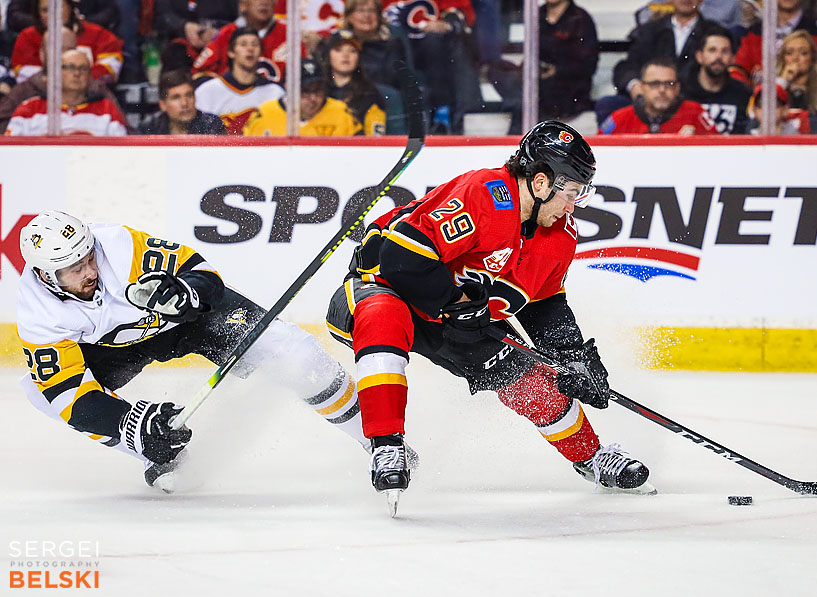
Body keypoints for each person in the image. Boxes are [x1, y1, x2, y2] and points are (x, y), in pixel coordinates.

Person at [325, 121, 653, 509]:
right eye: (571, 193)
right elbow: (401, 259)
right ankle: (386, 446)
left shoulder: (560, 234)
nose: (572, 206)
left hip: (463, 322)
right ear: (541, 182)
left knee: (531, 381)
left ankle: (592, 458)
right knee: (383, 315)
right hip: (384, 291)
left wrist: (571, 356)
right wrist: (455, 301)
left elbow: (545, 303)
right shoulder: (486, 194)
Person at [16, 210, 376, 492]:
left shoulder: (119, 244)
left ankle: (377, 437)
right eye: (74, 269)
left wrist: (186, 295)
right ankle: (157, 452)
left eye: (89, 258)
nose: (89, 271)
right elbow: (67, 394)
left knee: (295, 353)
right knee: (40, 393)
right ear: (47, 276)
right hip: (113, 349)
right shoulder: (38, 314)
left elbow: (203, 273)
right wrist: (129, 424)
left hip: (186, 321)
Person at [382, 0, 482, 134]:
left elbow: (459, 13)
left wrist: (446, 25)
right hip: (389, 50)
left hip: (432, 51)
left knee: (442, 44)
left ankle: (444, 114)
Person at [0, 27, 124, 131]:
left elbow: (125, 136)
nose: (62, 54)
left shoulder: (99, 94)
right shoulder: (24, 94)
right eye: (56, 48)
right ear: (42, 54)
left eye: (69, 49)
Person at [731, 0, 817, 86]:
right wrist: (747, 92)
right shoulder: (755, 32)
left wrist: (804, 82)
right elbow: (738, 70)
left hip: (807, 104)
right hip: (760, 105)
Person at [194, 26, 284, 135]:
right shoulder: (207, 91)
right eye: (243, 44)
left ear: (260, 52)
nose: (250, 49)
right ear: (231, 52)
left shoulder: (275, 92)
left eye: (255, 44)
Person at [10, 0, 124, 84]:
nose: (53, 14)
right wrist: (62, 81)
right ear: (38, 14)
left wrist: (76, 80)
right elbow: (24, 72)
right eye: (45, 10)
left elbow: (110, 67)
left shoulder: (98, 34)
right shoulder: (28, 37)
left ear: (70, 8)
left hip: (89, 94)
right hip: (41, 96)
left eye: (59, 7)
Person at [600, 57, 719, 134]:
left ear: (677, 88)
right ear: (641, 87)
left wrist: (697, 143)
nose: (662, 90)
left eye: (669, 84)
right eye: (654, 84)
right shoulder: (619, 119)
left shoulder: (695, 113)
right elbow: (597, 153)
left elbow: (719, 151)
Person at [244, 57, 362, 136]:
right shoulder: (265, 114)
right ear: (288, 87)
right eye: (305, 91)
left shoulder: (341, 112)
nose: (313, 98)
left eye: (318, 91)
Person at [192, 0, 289, 83]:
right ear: (243, 5)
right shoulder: (226, 35)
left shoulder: (289, 35)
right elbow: (198, 74)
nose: (264, 2)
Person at [538, 0, 599, 121]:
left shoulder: (580, 18)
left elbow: (588, 65)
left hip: (569, 87)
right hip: (537, 82)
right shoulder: (536, 15)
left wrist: (557, 71)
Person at [682, 26, 751, 133]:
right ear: (699, 56)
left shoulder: (743, 94)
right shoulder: (682, 92)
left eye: (725, 51)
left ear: (733, 58)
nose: (718, 56)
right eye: (712, 50)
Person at [322, 29, 385, 136]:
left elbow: (375, 139)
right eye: (338, 50)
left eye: (352, 51)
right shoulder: (318, 91)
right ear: (328, 55)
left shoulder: (370, 94)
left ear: (359, 57)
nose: (345, 55)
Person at [333, 0, 406, 91]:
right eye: (360, 11)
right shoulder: (337, 41)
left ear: (379, 16)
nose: (366, 15)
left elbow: (394, 81)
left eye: (372, 10)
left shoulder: (392, 44)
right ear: (350, 16)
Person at [154, 0, 240, 72]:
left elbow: (239, 19)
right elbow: (161, 16)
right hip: (179, 55)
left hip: (221, 54)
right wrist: (184, 26)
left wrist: (219, 33)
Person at [139, 69, 227, 134]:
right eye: (176, 97)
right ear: (163, 105)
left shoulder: (212, 125)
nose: (184, 103)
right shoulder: (149, 128)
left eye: (189, 95)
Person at [745, 81, 817, 133]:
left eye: (774, 105)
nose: (767, 110)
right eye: (761, 105)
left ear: (785, 109)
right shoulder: (750, 135)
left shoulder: (795, 133)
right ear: (754, 111)